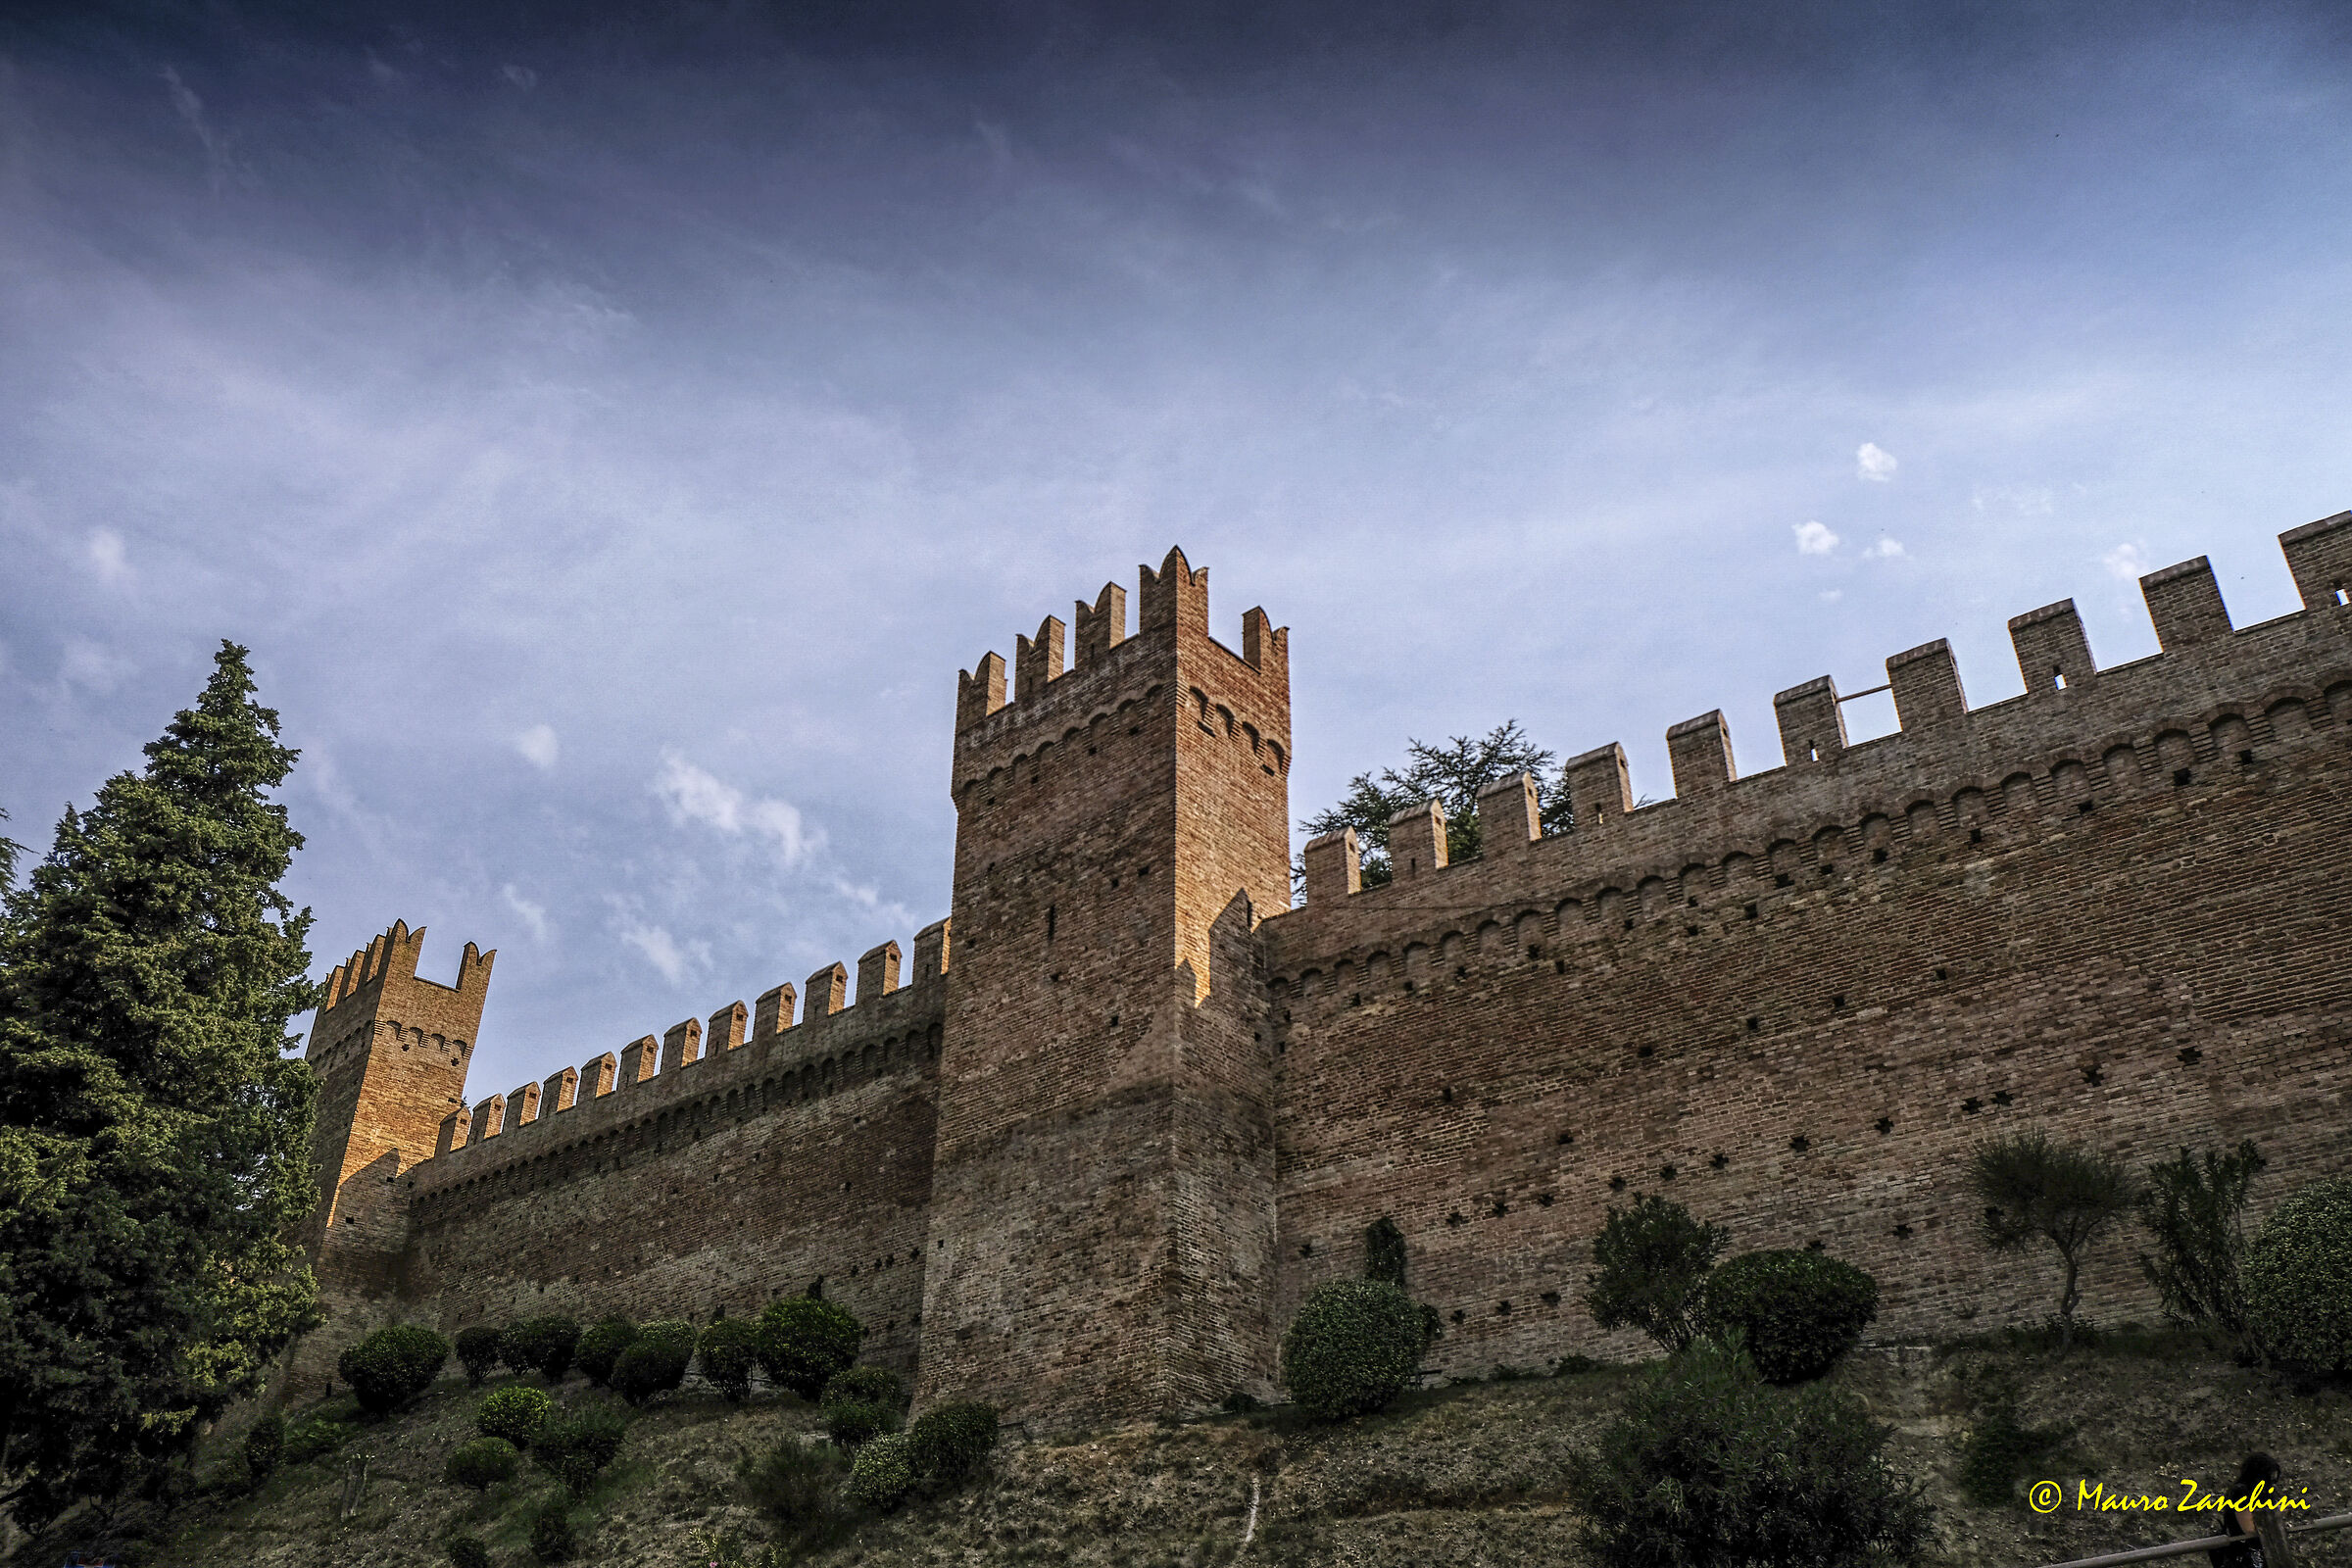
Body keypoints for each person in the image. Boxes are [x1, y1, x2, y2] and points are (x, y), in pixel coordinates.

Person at [2207, 1453, 2283, 1568]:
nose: (2271, 1485)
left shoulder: (2264, 1494)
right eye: (2269, 1479)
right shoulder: (2241, 1493)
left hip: (2262, 1551)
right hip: (2244, 1555)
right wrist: (2275, 1516)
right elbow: (2249, 1529)